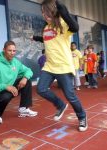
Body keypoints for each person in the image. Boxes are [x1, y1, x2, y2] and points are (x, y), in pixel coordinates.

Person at [37, 0, 87, 132]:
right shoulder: (46, 28)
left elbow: (75, 27)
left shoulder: (63, 25)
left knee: (70, 96)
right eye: (42, 12)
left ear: (53, 12)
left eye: (46, 12)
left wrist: (62, 8)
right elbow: (47, 39)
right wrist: (36, 38)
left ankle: (82, 116)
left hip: (63, 66)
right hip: (49, 66)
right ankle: (60, 105)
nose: (44, 15)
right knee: (41, 89)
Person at [0, 41, 38, 124]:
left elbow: (28, 70)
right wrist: (6, 86)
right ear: (4, 50)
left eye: (14, 51)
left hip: (8, 88)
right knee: (7, 95)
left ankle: (23, 108)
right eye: (9, 50)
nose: (12, 53)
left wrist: (25, 78)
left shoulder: (15, 62)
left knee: (27, 81)